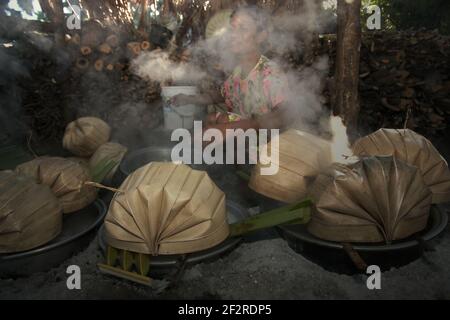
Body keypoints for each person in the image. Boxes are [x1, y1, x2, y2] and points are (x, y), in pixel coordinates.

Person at [170, 5, 295, 140]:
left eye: (242, 29)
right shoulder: (237, 70)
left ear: (261, 36)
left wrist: (230, 128)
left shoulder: (269, 72)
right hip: (244, 148)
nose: (233, 35)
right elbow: (224, 93)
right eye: (232, 28)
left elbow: (284, 115)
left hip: (270, 150)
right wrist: (190, 99)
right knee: (212, 119)